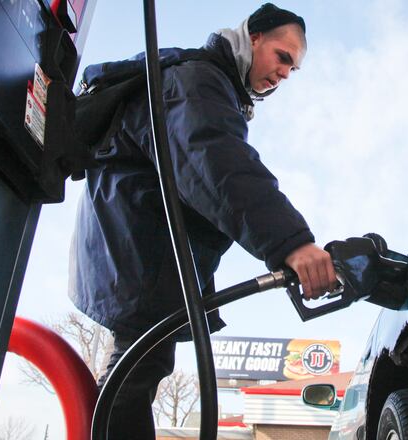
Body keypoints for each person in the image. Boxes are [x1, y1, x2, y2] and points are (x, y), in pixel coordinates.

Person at [68, 4, 337, 439]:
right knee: (134, 373)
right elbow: (218, 166)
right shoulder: (196, 81)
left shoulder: (209, 84)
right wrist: (292, 243)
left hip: (142, 252)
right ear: (253, 37)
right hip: (143, 250)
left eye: (294, 68)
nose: (285, 73)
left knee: (139, 368)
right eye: (282, 56)